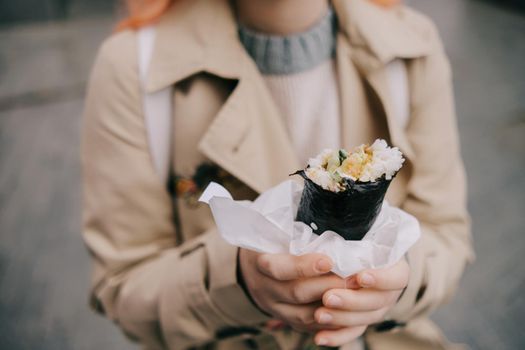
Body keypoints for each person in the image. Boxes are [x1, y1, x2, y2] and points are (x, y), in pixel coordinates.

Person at [82, 0, 474, 349]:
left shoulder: (410, 45)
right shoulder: (134, 67)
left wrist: (396, 282)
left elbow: (448, 238)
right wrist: (236, 280)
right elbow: (123, 288)